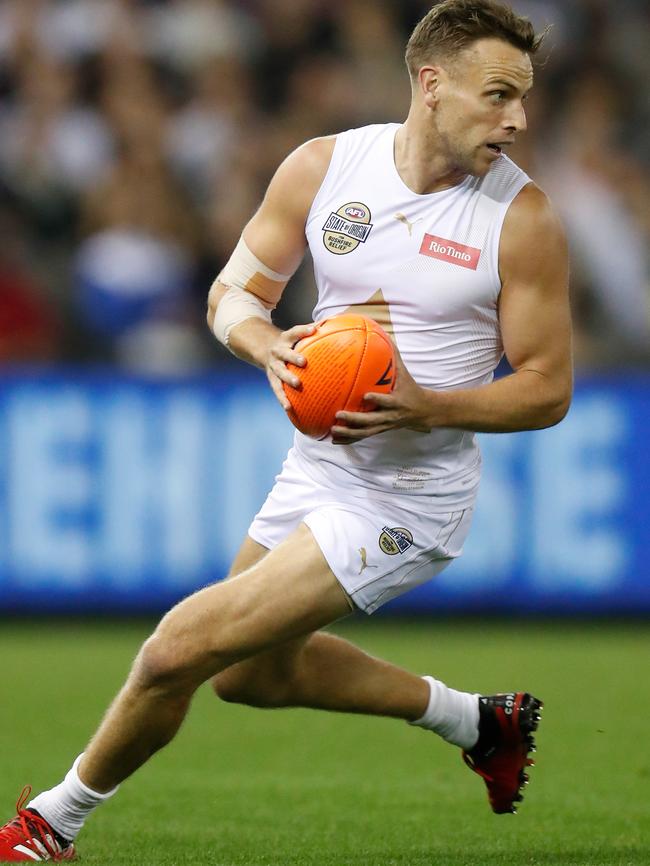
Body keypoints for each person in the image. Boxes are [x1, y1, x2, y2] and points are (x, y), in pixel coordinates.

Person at [0, 0, 572, 860]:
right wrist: (268, 345)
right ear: (431, 84)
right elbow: (232, 293)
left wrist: (431, 403)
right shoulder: (324, 168)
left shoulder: (521, 219)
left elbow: (548, 390)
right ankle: (480, 722)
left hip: (409, 499)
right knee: (246, 675)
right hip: (319, 466)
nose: (517, 119)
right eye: (497, 95)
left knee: (174, 651)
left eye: (521, 98)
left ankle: (50, 822)